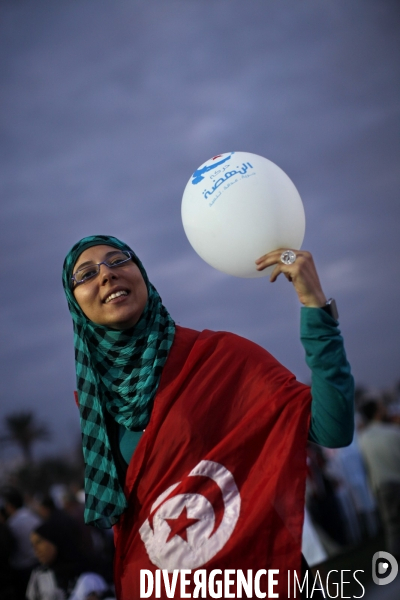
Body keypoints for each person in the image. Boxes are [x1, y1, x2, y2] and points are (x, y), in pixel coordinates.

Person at [62, 235, 354, 599]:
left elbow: (332, 428)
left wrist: (315, 307)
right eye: (86, 273)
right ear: (75, 304)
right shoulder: (95, 404)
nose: (106, 274)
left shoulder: (218, 357)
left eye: (118, 260)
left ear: (142, 274)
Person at [26, 512, 111, 600]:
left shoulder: (89, 572)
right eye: (33, 545)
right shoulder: (39, 574)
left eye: (39, 542)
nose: (36, 550)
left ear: (55, 540)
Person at [358, 400, 400, 559]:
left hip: (381, 486)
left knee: (391, 525)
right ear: (377, 412)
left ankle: (394, 559)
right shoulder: (392, 432)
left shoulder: (363, 439)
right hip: (397, 480)